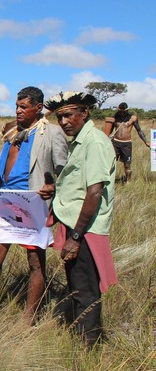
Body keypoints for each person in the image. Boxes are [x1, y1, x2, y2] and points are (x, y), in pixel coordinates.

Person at [0, 86, 68, 321]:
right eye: (16, 106)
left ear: (38, 108)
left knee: (35, 262)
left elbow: (66, 174)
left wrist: (53, 188)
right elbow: (5, 170)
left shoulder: (51, 133)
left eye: (24, 107)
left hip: (32, 205)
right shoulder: (12, 132)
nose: (18, 111)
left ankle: (28, 318)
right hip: (4, 203)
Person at [42, 91, 117, 346]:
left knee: (85, 289)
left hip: (84, 229)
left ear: (84, 114)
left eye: (68, 115)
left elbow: (94, 191)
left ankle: (89, 348)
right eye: (60, 117)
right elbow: (80, 183)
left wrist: (76, 237)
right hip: (76, 224)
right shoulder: (80, 141)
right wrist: (56, 190)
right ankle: (84, 339)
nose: (63, 122)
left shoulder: (94, 142)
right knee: (77, 285)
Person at [103, 102, 148, 183]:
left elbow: (139, 131)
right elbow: (109, 131)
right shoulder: (115, 117)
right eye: (121, 111)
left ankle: (128, 181)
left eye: (124, 111)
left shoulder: (132, 118)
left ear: (127, 110)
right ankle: (109, 180)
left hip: (126, 144)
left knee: (127, 165)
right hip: (115, 143)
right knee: (110, 162)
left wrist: (146, 142)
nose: (123, 113)